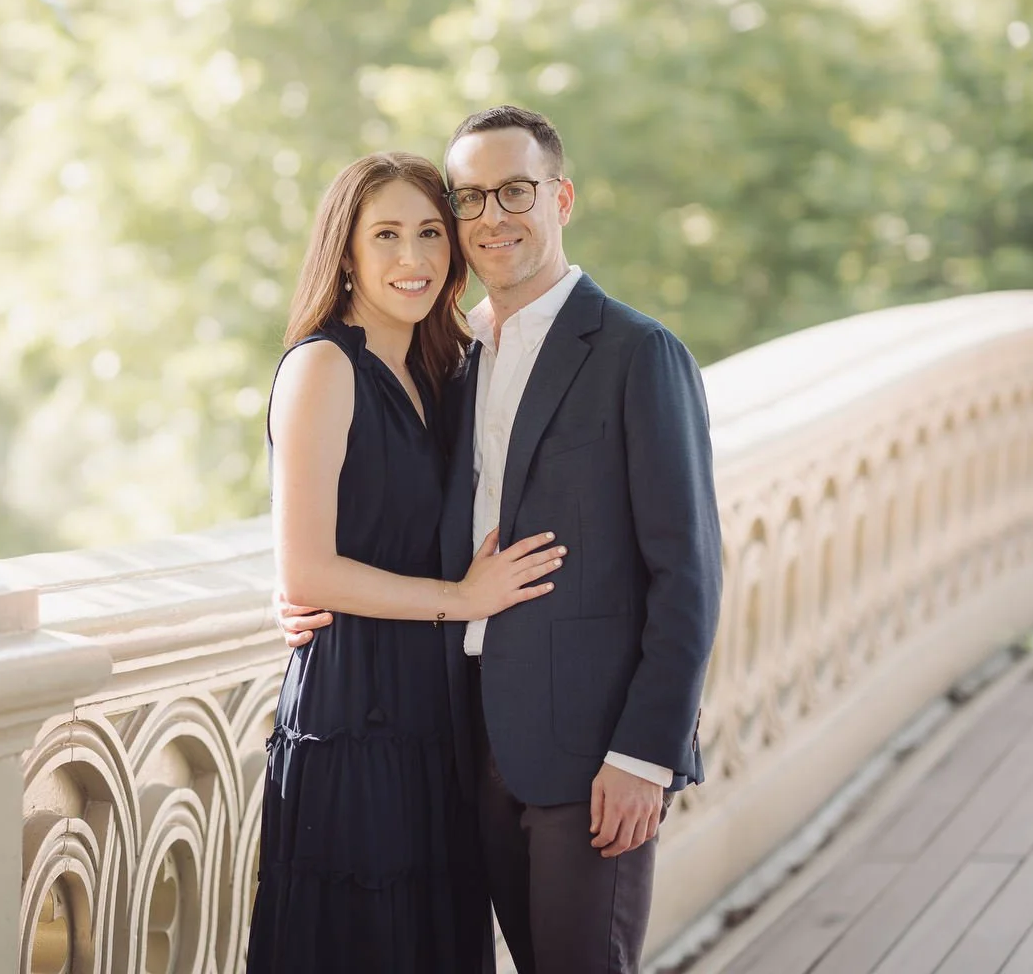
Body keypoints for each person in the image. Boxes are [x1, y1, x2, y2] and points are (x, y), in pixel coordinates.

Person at [278, 108, 723, 974]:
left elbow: (689, 572)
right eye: (470, 197)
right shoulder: (452, 358)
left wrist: (645, 755)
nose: (492, 216)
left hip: (591, 756)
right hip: (457, 745)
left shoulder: (638, 353)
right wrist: (301, 583)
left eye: (515, 190)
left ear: (560, 197)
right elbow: (379, 510)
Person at [246, 151, 568, 974]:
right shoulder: (323, 367)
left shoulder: (450, 368)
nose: (413, 258)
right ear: (344, 252)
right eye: (385, 235)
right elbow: (308, 572)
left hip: (439, 715)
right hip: (357, 711)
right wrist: (461, 599)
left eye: (431, 233)